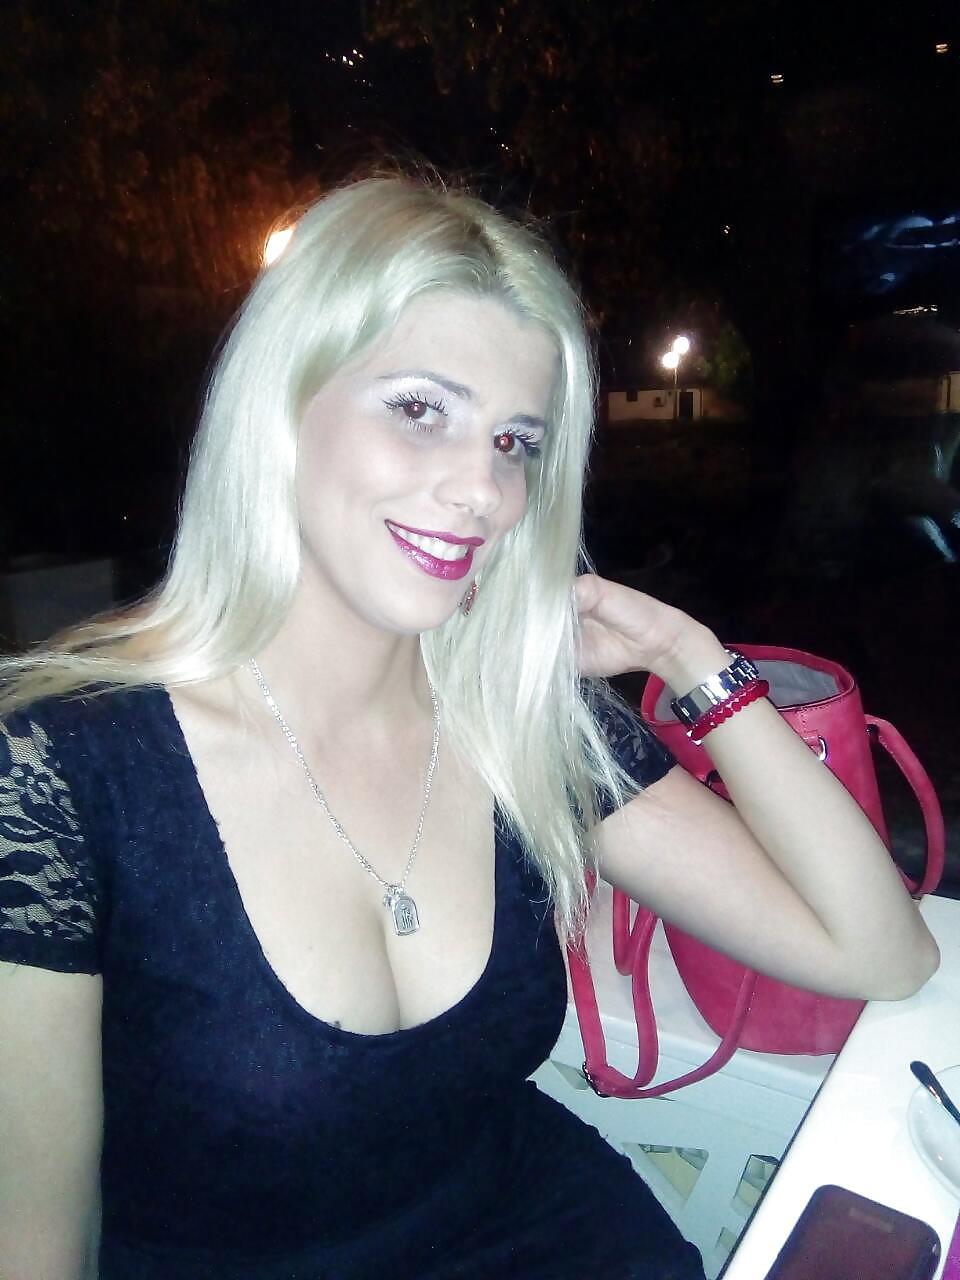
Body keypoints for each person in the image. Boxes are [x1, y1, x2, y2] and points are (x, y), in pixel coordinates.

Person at [0, 171, 939, 1280]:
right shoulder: (63, 773)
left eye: (515, 443)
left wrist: (694, 661)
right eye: (419, 409)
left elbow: (879, 949)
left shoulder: (520, 725)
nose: (483, 491)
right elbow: (34, 1246)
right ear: (281, 406)